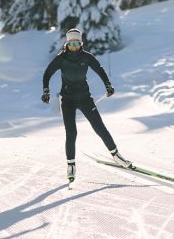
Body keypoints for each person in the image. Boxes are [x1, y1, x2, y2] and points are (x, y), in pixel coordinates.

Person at [41, 27, 132, 181]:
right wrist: (46, 90)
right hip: (68, 100)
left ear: (81, 44)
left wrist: (108, 85)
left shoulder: (87, 57)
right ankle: (71, 165)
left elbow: (100, 70)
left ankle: (116, 156)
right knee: (71, 133)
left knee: (100, 127)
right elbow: (47, 73)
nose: (74, 47)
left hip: (85, 98)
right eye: (71, 44)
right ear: (67, 44)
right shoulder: (61, 59)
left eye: (77, 44)